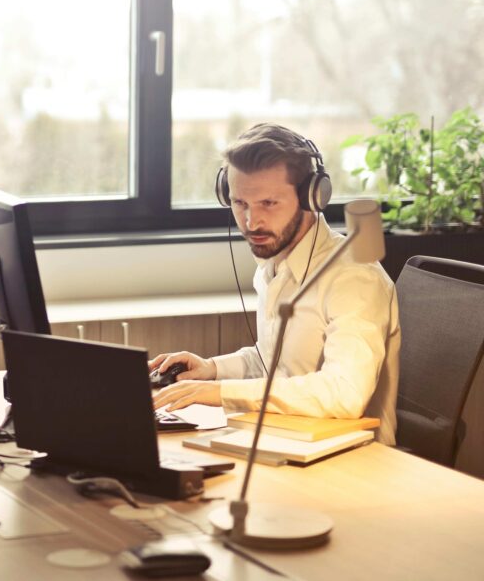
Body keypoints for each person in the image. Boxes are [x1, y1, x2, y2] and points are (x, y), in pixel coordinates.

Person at [151, 123, 401, 444]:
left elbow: (345, 393)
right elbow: (275, 364)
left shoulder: (355, 278)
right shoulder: (274, 263)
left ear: (312, 197)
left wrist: (221, 392)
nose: (251, 222)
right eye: (240, 204)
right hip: (286, 438)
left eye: (268, 204)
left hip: (353, 459)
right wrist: (212, 369)